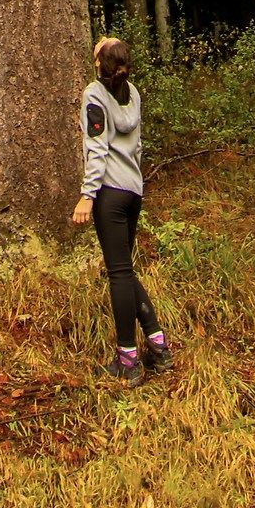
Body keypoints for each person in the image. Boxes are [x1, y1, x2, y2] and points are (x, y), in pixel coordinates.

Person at [71, 33, 172, 384]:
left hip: (110, 194)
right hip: (133, 191)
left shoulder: (94, 95)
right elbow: (138, 144)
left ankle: (128, 359)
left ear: (100, 62)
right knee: (125, 270)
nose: (100, 41)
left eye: (102, 45)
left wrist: (88, 195)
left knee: (118, 273)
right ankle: (158, 344)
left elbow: (96, 149)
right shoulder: (134, 94)